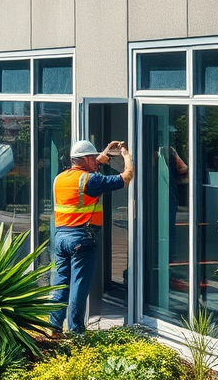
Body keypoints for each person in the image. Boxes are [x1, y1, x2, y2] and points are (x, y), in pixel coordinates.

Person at [49, 139, 134, 335]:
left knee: (61, 283)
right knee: (79, 285)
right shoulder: (90, 181)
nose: (97, 160)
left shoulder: (60, 178)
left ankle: (54, 326)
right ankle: (76, 331)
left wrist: (102, 155)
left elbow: (90, 174)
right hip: (81, 238)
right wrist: (125, 155)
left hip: (61, 238)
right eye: (93, 158)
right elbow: (126, 177)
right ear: (85, 159)